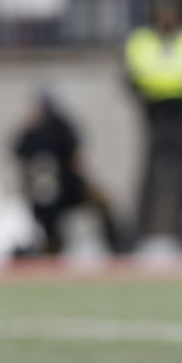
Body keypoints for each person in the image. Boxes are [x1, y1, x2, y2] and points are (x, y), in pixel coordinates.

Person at [124, 0, 182, 251]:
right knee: (149, 176)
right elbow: (130, 76)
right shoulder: (141, 41)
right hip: (154, 115)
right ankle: (138, 234)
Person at [12, 91, 123, 256]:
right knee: (45, 219)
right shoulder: (32, 132)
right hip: (46, 194)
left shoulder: (60, 127)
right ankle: (51, 246)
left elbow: (75, 158)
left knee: (101, 201)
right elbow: (19, 155)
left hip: (66, 187)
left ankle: (117, 245)